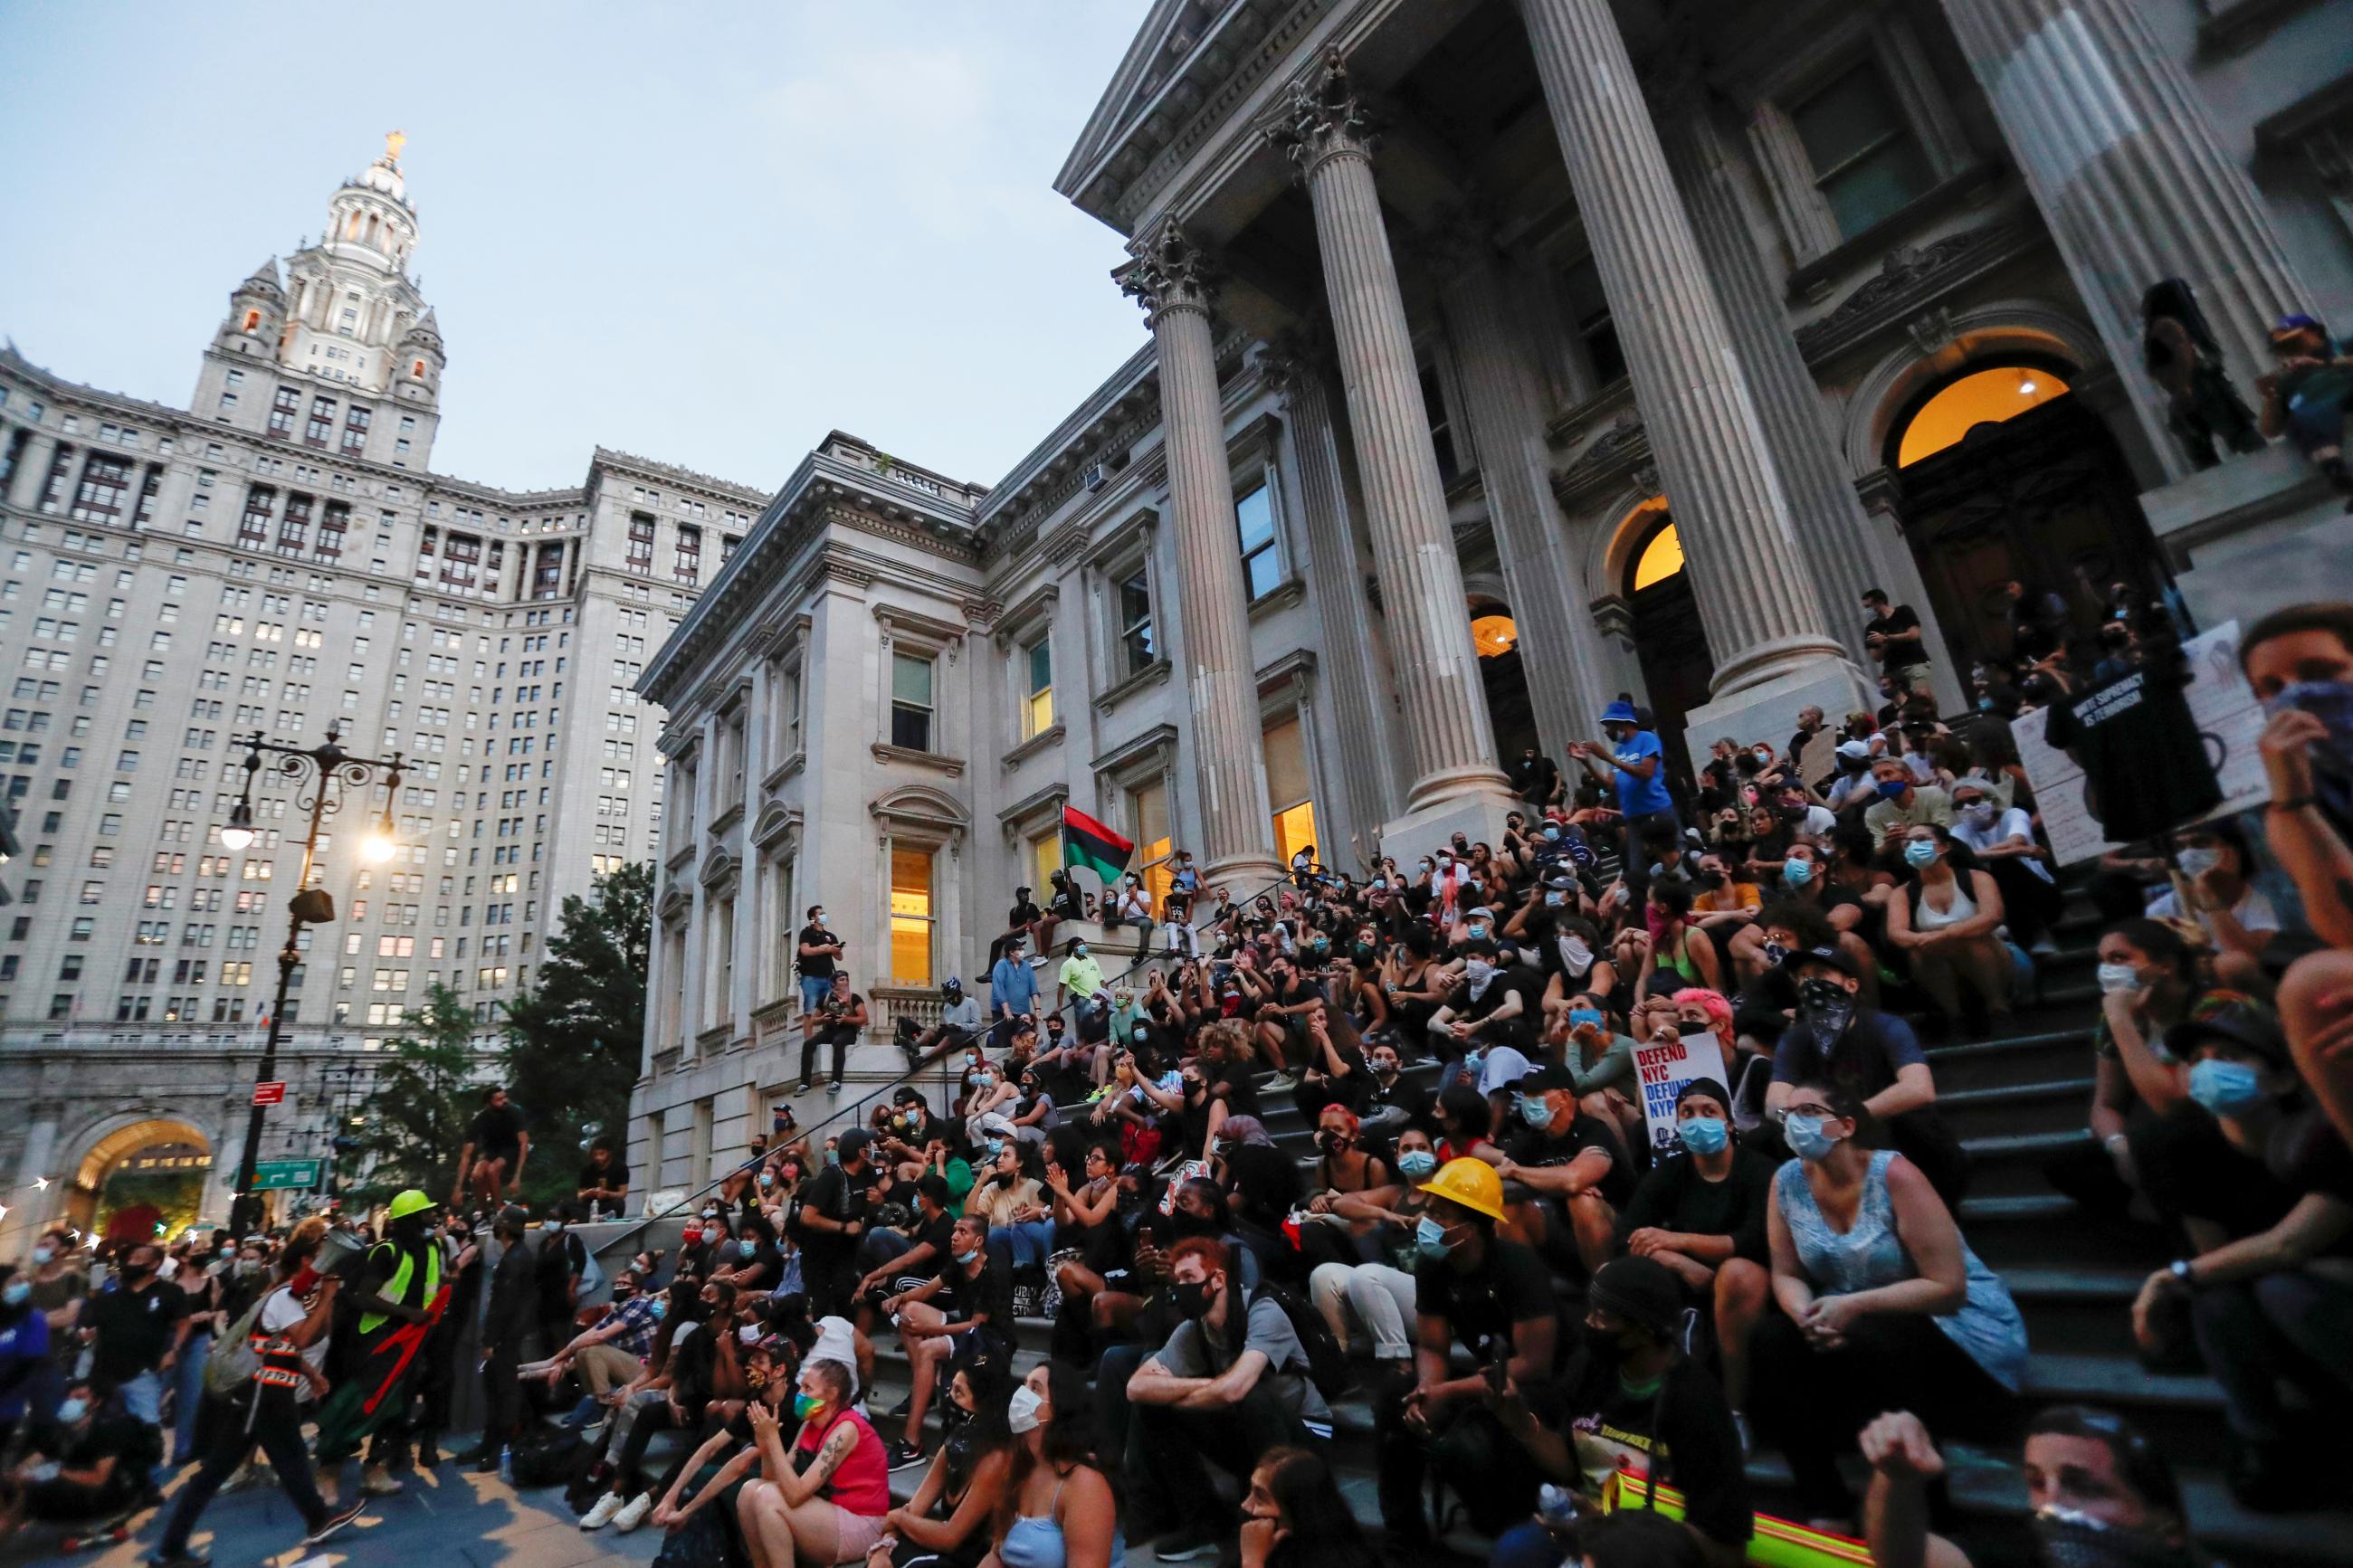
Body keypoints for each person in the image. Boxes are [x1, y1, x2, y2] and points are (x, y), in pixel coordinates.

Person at [1748, 1080, 2025, 1529]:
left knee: (1878, 1339)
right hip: (1853, 1317)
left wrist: (1854, 1306)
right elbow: (1786, 1273)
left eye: (1809, 1111)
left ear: (1845, 1125)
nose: (1794, 1123)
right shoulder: (1786, 1182)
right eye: (1787, 1115)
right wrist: (1804, 1315)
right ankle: (1825, 1502)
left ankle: (1928, 1518)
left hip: (1950, 1322)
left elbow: (1948, 1286)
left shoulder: (1895, 1174)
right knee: (1771, 1339)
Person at [2129, 1004, 2353, 1507]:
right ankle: (2261, 1437)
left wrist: (2172, 1276)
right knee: (2219, 1299)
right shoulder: (2183, 1150)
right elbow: (2221, 1262)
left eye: (2230, 1056)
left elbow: (2291, 1242)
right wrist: (2202, 1273)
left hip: (2329, 1300)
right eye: (2200, 1059)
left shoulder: (2326, 1135)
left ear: (2280, 1079)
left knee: (2280, 1286)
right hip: (2274, 1306)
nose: (2210, 1069)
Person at [1488, 1256, 1753, 1568]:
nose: (1589, 1324)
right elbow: (1566, 1466)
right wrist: (1521, 1422)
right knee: (1516, 1553)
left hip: (1653, 1552)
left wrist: (1606, 1529)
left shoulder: (1696, 1402)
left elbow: (1725, 1549)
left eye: (1603, 1318)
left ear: (1643, 1330)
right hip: (1590, 1529)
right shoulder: (1591, 1366)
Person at [149, 1226, 366, 1566]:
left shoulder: (284, 1296)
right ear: (308, 1262)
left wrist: (311, 1374)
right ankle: (317, 1519)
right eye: (324, 1257)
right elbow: (302, 1339)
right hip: (264, 1394)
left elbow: (280, 1345)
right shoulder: (283, 1298)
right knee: (265, 1462)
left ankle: (318, 1518)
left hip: (266, 1393)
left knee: (278, 1460)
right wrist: (327, 1297)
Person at [1376, 1157, 1559, 1547]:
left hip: (1538, 1387)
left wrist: (1447, 1393)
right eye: (1429, 1209)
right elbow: (1431, 1345)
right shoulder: (1433, 1266)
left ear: (1470, 1227)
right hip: (1485, 1378)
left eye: (1440, 1213)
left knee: (1470, 1444)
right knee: (1395, 1398)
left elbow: (1533, 1363)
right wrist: (1427, 1391)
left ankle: (1502, 1523)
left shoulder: (1518, 1266)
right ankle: (1404, 1530)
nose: (1426, 1220)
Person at [1125, 1237, 1333, 1560]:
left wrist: (1182, 1391)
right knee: (1151, 1408)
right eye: (1177, 1280)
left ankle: (1268, 1529)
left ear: (1218, 1279)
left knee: (1252, 1398)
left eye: (1189, 1278)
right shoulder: (1193, 1330)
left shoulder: (1263, 1310)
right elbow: (1136, 1386)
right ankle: (1205, 1521)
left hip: (1306, 1431)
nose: (1181, 1288)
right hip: (1247, 1426)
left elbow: (1235, 1389)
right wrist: (1209, 1386)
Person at [1863, 1404, 2211, 1568]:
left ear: (2168, 1527)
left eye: (2083, 1487)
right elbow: (1901, 1557)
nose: (2051, 1505)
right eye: (2037, 1483)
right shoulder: (2030, 1557)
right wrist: (1897, 1476)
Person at [1615, 1078, 1775, 1412]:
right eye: (1687, 1112)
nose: (1697, 1119)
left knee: (1734, 1274)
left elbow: (1755, 1240)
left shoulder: (1758, 1170)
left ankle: (1735, 1410)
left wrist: (1679, 1240)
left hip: (1748, 1281)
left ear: (1728, 1124)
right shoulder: (1672, 1170)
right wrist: (1678, 1261)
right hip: (1685, 1277)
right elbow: (1626, 1232)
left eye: (1709, 1111)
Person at [1767, 946, 1966, 1208]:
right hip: (1825, 1135)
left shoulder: (1885, 1026)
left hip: (1883, 1131)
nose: (1810, 982)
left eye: (1820, 973)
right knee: (1768, 1137)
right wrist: (1802, 1122)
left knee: (1916, 1127)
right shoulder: (1795, 1039)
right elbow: (1774, 1103)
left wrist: (1845, 1122)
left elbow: (1919, 1088)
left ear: (1850, 985)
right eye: (1803, 976)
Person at [315, 1189, 446, 1492]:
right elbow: (363, 1296)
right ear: (412, 1218)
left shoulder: (433, 1249)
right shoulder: (386, 1252)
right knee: (356, 1403)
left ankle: (375, 1468)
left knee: (396, 1408)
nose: (433, 1216)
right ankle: (328, 1470)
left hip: (413, 1342)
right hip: (376, 1341)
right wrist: (408, 1313)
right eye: (426, 1212)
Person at [881, 1213, 1013, 1469]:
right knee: (909, 1311)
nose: (954, 1237)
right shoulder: (959, 1263)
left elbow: (978, 1325)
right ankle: (927, 1384)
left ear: (978, 1241)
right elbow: (928, 1289)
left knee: (927, 1347)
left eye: (962, 1232)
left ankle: (912, 1445)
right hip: (968, 1332)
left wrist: (929, 1329)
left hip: (992, 1341)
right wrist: (900, 1297)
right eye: (954, 1230)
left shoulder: (994, 1272)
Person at [736, 1357, 892, 1568]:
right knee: (749, 1491)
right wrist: (765, 1445)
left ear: (832, 1394)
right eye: (801, 1386)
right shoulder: (809, 1424)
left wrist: (773, 1440)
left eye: (808, 1388)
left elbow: (795, 1494)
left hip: (862, 1523)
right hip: (827, 1511)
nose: (799, 1393)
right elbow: (771, 1479)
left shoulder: (846, 1429)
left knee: (767, 1497)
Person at [872, 1350, 1017, 1568]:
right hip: (940, 1544)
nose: (949, 1398)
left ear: (982, 1405)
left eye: (959, 1392)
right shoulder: (958, 1438)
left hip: (972, 1557)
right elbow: (913, 1508)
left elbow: (951, 1537)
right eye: (951, 1388)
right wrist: (883, 1547)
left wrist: (898, 1519)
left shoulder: (996, 1458)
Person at [0, 1379, 166, 1554]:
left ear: (96, 1402)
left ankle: (6, 1527)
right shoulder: (66, 1428)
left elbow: (98, 1478)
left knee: (30, 1493)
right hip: (85, 1483)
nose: (71, 1401)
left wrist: (57, 1472)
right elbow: (40, 1455)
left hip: (114, 1491)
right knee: (8, 1486)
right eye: (68, 1398)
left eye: (79, 1397)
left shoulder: (107, 1429)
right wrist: (16, 1474)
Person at [988, 1361, 1122, 1568]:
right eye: (1024, 1384)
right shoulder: (1019, 1467)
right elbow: (996, 1556)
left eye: (1035, 1388)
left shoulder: (1085, 1485)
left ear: (1060, 1408)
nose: (1022, 1394)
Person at [1884, 824, 2012, 1031]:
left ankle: (1998, 1007)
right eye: (1908, 843)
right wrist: (1921, 940)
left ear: (1944, 847)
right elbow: (1896, 933)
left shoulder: (1977, 878)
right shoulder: (1903, 893)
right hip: (1943, 966)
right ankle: (1955, 1017)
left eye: (1921, 839)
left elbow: (1992, 917)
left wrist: (1950, 934)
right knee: (1919, 951)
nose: (1913, 846)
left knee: (1971, 939)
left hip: (1996, 958)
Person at [80, 1239, 185, 1477]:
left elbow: (183, 1323)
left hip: (142, 1372)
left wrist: (173, 1349)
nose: (131, 1263)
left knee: (146, 1426)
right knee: (97, 1425)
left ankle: (149, 1479)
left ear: (154, 1264)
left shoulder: (170, 1293)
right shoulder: (112, 1296)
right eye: (129, 1259)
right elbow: (88, 1324)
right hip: (103, 1372)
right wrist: (92, 1299)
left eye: (138, 1259)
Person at [1945, 774, 2061, 955]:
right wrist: (2017, 851)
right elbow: (1966, 856)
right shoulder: (1959, 831)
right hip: (1995, 899)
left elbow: (2015, 841)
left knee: (2002, 865)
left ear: (1990, 798)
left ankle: (2039, 933)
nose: (1967, 807)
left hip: (2039, 891)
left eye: (1974, 800)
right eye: (1959, 804)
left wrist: (2011, 851)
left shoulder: (2013, 815)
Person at [1571, 701, 1678, 897]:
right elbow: (1609, 785)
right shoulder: (1620, 750)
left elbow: (1646, 772)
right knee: (1636, 870)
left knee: (1671, 857)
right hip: (1633, 818)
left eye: (1609, 726)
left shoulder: (1647, 739)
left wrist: (1607, 758)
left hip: (1655, 812)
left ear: (1621, 724)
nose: (1607, 732)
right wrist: (1587, 763)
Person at [462, 1205, 536, 1475]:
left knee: (503, 1394)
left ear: (504, 1228)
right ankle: (489, 1444)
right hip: (508, 1336)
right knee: (497, 1391)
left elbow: (503, 1306)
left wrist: (491, 1341)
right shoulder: (517, 1256)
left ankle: (496, 1448)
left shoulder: (515, 1260)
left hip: (505, 1338)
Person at [2255, 312, 2353, 505]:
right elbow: (2269, 429)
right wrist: (2270, 398)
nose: (2290, 352)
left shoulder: (2342, 348)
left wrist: (2325, 363)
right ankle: (2335, 470)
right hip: (2317, 416)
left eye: (2294, 343)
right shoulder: (2288, 379)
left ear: (2314, 333)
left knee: (2315, 411)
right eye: (2283, 349)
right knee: (2301, 417)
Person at [1238, 1446, 1380, 1568]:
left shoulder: (1340, 1563)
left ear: (1297, 1509)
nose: (1245, 1505)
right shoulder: (1265, 1548)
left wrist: (1253, 1562)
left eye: (1261, 1497)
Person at [794, 1130, 875, 1319]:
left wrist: (878, 1201)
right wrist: (843, 1227)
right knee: (820, 1304)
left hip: (846, 1250)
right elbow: (807, 1216)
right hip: (819, 1251)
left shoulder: (869, 1173)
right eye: (868, 1146)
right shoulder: (830, 1177)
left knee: (844, 1295)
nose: (871, 1149)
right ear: (861, 1152)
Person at [453, 1085, 530, 1208]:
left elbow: (524, 1143)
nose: (505, 1101)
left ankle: (498, 1207)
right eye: (499, 1100)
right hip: (491, 1150)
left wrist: (517, 1177)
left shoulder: (514, 1112)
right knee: (476, 1176)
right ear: (488, 1104)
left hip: (511, 1147)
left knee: (492, 1170)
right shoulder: (479, 1120)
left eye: (505, 1097)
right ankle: (484, 1212)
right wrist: (458, 1188)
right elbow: (465, 1155)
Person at [533, 1203, 589, 1368]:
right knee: (544, 1340)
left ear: (564, 1220)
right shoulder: (544, 1243)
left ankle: (561, 1379)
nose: (551, 1222)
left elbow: (580, 1264)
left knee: (559, 1338)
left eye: (555, 1218)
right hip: (544, 1297)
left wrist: (571, 1289)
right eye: (549, 1218)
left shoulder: (571, 1239)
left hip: (561, 1296)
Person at [803, 971, 871, 1096]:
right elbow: (813, 1020)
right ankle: (805, 1083)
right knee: (808, 1044)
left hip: (847, 1031)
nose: (845, 982)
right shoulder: (825, 998)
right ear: (833, 984)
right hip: (829, 1030)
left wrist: (846, 1019)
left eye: (846, 979)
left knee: (838, 1043)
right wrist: (823, 1018)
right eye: (841, 980)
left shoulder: (854, 998)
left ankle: (836, 1081)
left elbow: (864, 1018)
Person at [902, 976, 984, 1069]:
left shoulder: (972, 1003)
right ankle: (914, 1045)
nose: (950, 1001)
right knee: (931, 1031)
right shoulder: (947, 1008)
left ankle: (921, 1060)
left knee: (948, 1038)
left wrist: (960, 1026)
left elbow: (977, 1026)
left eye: (951, 998)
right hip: (953, 1034)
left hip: (968, 1036)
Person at [1862, 588, 1931, 693]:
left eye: (1868, 606)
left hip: (1915, 662)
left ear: (1879, 602)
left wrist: (1886, 638)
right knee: (1903, 703)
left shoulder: (1903, 611)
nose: (1867, 611)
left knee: (1922, 696)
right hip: (1893, 670)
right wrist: (1883, 644)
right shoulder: (1871, 628)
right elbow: (1876, 657)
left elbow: (1914, 634)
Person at [990, 936, 1043, 1050]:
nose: (1022, 951)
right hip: (1003, 1013)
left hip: (1022, 1014)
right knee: (1003, 1045)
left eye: (1022, 948)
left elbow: (1033, 989)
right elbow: (998, 988)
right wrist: (1006, 1009)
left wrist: (1037, 1009)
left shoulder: (1027, 966)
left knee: (1023, 1046)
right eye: (1019, 949)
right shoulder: (1001, 965)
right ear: (1011, 952)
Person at [800, 903, 847, 1015]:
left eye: (824, 914)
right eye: (821, 914)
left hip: (828, 977)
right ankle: (809, 1034)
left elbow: (839, 957)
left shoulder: (830, 936)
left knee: (831, 1010)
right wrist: (824, 949)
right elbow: (805, 951)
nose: (824, 916)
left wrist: (836, 950)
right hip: (811, 977)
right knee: (810, 1012)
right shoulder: (807, 933)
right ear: (813, 918)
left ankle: (828, 1032)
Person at [576, 1138, 632, 1219]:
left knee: (619, 1203)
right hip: (590, 1205)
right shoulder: (586, 1170)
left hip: (609, 1204)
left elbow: (623, 1193)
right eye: (595, 1155)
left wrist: (607, 1194)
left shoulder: (620, 1167)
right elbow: (579, 1195)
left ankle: (602, 1217)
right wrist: (588, 1193)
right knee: (566, 1206)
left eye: (602, 1154)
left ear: (609, 1153)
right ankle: (592, 1217)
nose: (598, 1157)